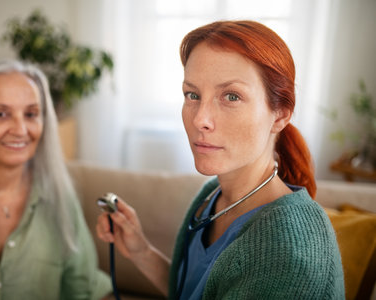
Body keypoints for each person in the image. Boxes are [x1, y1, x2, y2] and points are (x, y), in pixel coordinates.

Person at [96, 21, 345, 299]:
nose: (200, 119)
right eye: (193, 95)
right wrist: (140, 251)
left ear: (280, 115)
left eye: (231, 96)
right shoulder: (212, 196)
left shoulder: (288, 255)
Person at [0, 60, 111, 299]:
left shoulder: (60, 198)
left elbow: (84, 290)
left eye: (31, 114)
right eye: (1, 114)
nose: (21, 129)